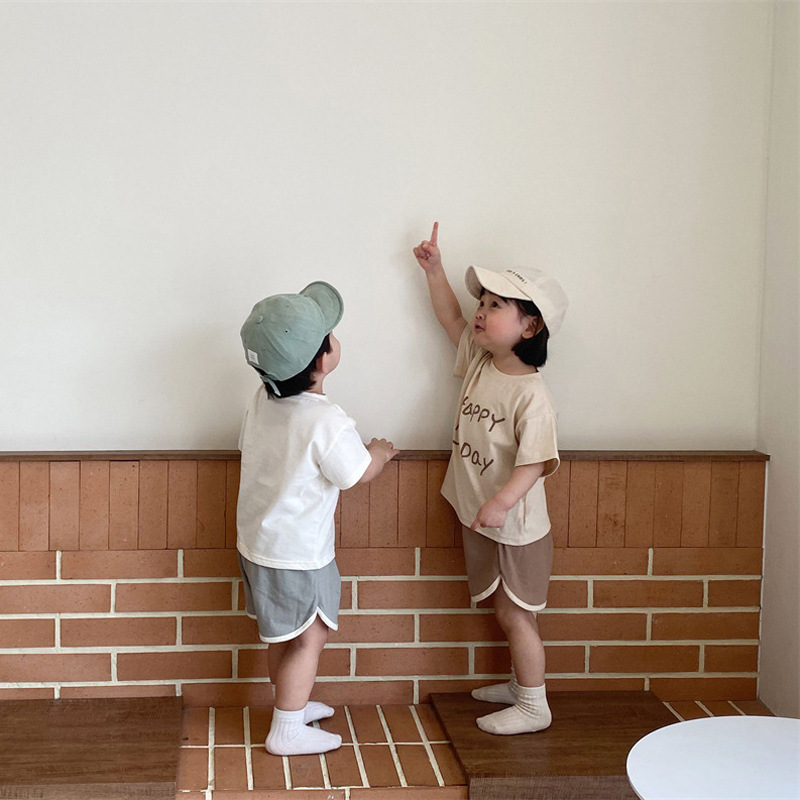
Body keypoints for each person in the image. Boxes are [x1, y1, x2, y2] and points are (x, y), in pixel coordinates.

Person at [413, 222, 568, 736]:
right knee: (504, 610)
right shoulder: (482, 361)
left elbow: (534, 463)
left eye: (497, 305)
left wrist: (501, 503)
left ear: (530, 327)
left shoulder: (533, 397)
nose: (481, 310)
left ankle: (534, 705)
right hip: (482, 515)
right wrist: (434, 270)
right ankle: (521, 684)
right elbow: (450, 317)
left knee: (517, 615)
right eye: (484, 301)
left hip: (514, 527)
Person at [237, 281, 397, 756]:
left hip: (259, 545)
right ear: (322, 360)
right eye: (331, 335)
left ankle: (291, 705)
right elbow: (356, 473)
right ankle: (286, 729)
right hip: (299, 556)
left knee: (283, 635)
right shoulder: (326, 420)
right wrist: (379, 452)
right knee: (311, 636)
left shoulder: (262, 400)